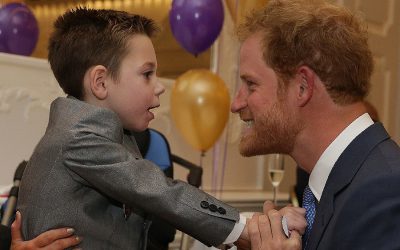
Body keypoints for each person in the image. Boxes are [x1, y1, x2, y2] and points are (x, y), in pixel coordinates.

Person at [16, 7, 305, 250]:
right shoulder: (79, 137)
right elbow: (160, 192)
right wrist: (247, 229)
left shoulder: (107, 132)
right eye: (147, 74)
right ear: (101, 83)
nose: (158, 87)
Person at [231, 0, 400, 249]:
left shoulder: (383, 194)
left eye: (251, 84)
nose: (236, 104)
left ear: (302, 87)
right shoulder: (343, 183)